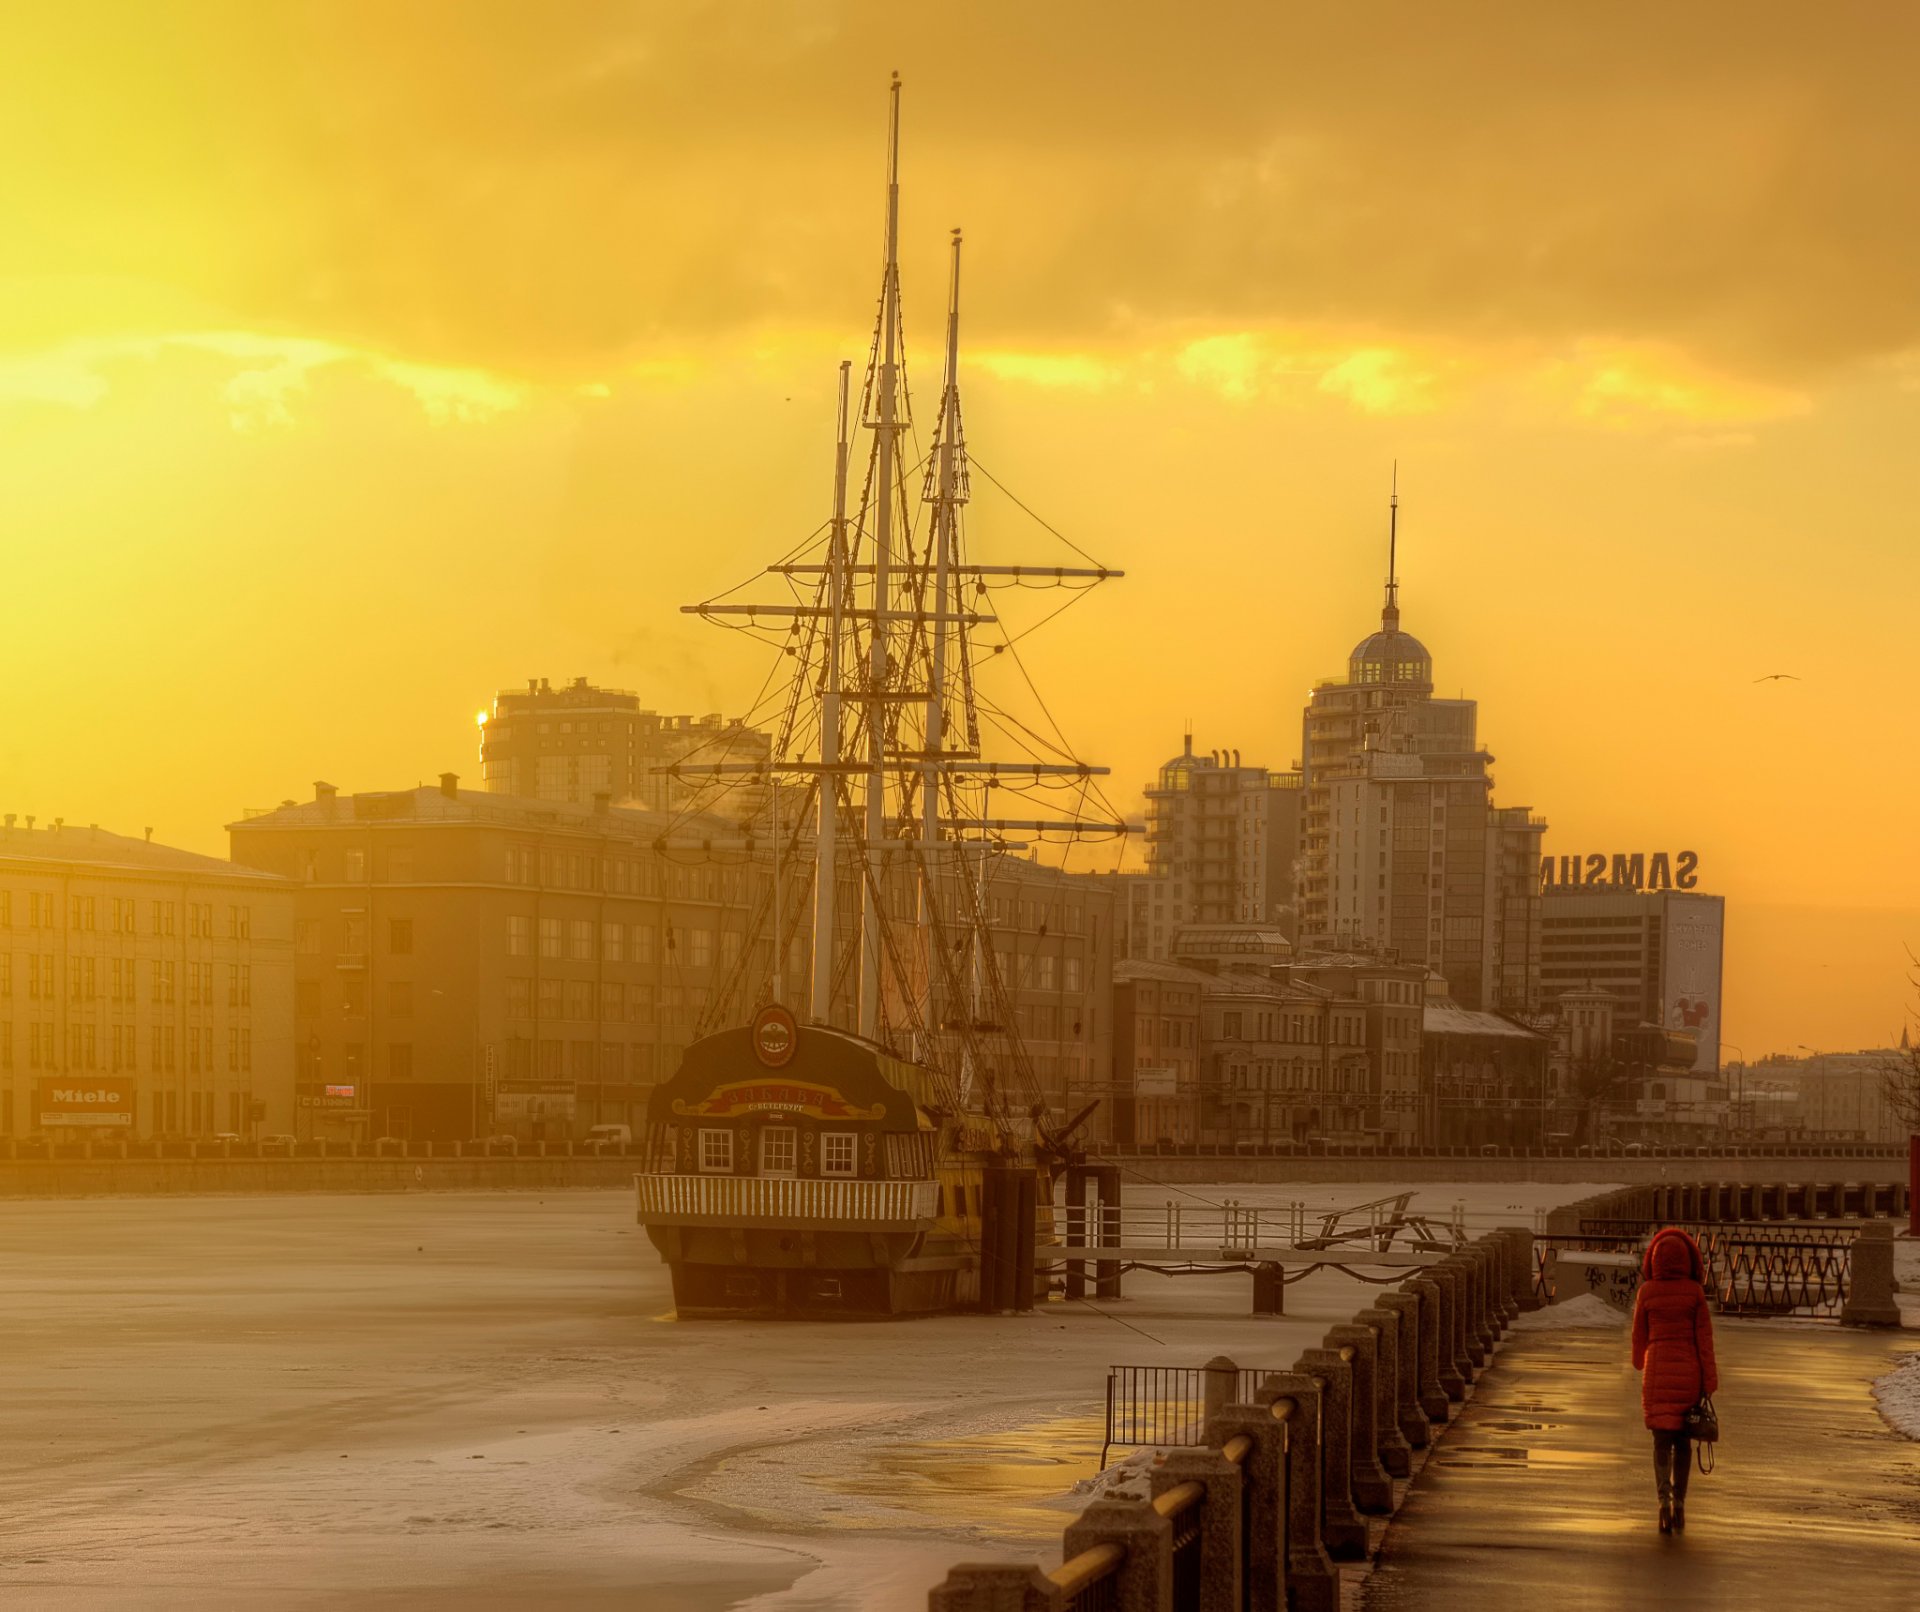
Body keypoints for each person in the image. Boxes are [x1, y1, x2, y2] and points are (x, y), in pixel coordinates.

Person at [1630, 1226, 1719, 1534]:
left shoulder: (1647, 1292)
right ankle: (1679, 1502)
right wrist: (1709, 1379)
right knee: (1682, 1442)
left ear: (1654, 1259)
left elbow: (1638, 1336)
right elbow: (1704, 1340)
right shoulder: (1694, 1292)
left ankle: (1662, 1500)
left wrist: (1639, 1360)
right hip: (1688, 1372)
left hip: (1657, 1371)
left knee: (1660, 1441)